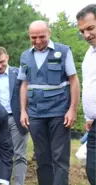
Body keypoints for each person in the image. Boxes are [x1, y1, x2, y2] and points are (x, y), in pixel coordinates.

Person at [18, 20, 80, 185]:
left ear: (49, 33)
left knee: (60, 158)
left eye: (41, 37)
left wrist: (72, 109)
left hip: (59, 112)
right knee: (42, 157)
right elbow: (24, 84)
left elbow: (73, 81)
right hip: (35, 114)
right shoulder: (25, 56)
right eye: (33, 37)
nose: (38, 41)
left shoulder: (63, 51)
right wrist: (23, 111)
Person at [0, 47, 28, 185]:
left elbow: (27, 93)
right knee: (2, 155)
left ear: (7, 58)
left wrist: (25, 113)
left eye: (2, 62)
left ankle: (19, 183)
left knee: (19, 154)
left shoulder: (18, 74)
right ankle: (4, 182)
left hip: (17, 118)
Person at [76, 4, 96, 184]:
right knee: (92, 170)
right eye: (82, 31)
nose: (86, 35)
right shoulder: (89, 54)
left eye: (90, 28)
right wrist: (89, 116)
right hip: (95, 124)